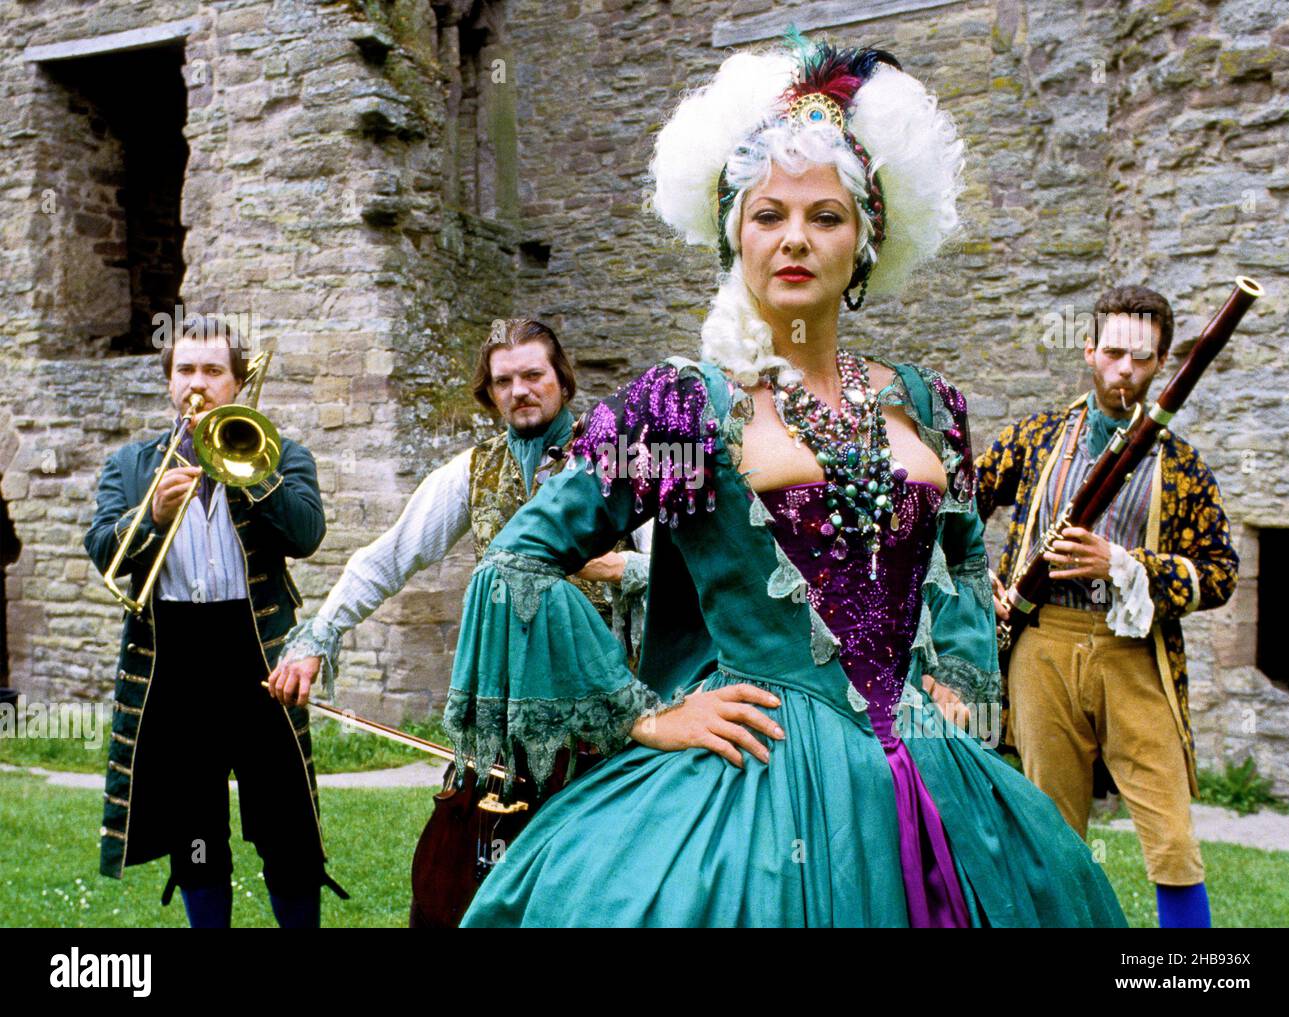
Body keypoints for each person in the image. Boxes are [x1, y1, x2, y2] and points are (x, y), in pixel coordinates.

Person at [440, 33, 1127, 927]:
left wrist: (958, 672)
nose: (795, 238)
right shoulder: (685, 407)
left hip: (936, 777)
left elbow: (959, 551)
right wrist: (643, 716)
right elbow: (518, 563)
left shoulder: (926, 404)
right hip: (759, 779)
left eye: (826, 216)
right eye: (767, 215)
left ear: (867, 240)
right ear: (734, 235)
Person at [975, 284, 1238, 928]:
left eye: (1142, 359)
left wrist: (1124, 566)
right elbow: (954, 506)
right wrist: (984, 582)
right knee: (1049, 825)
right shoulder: (1035, 437)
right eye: (1113, 352)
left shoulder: (1182, 465)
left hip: (1133, 651)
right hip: (1041, 646)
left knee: (1171, 835)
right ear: (1089, 351)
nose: (1125, 370)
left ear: (1162, 363)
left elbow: (1220, 576)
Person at [84, 320, 338, 928]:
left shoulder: (280, 451)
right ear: (169, 382)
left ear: (238, 379)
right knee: (195, 833)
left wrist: (251, 474)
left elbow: (307, 534)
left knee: (287, 827)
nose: (197, 384)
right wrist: (151, 516)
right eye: (185, 371)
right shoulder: (131, 465)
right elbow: (101, 548)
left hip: (257, 656)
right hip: (175, 661)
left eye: (212, 371)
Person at [267, 318, 650, 710]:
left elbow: (686, 572)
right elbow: (390, 557)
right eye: (503, 381)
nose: (519, 391)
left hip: (606, 699)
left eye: (534, 375)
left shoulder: (619, 459)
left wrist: (621, 568)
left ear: (563, 381)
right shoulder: (473, 469)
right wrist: (320, 633)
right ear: (490, 392)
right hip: (507, 704)